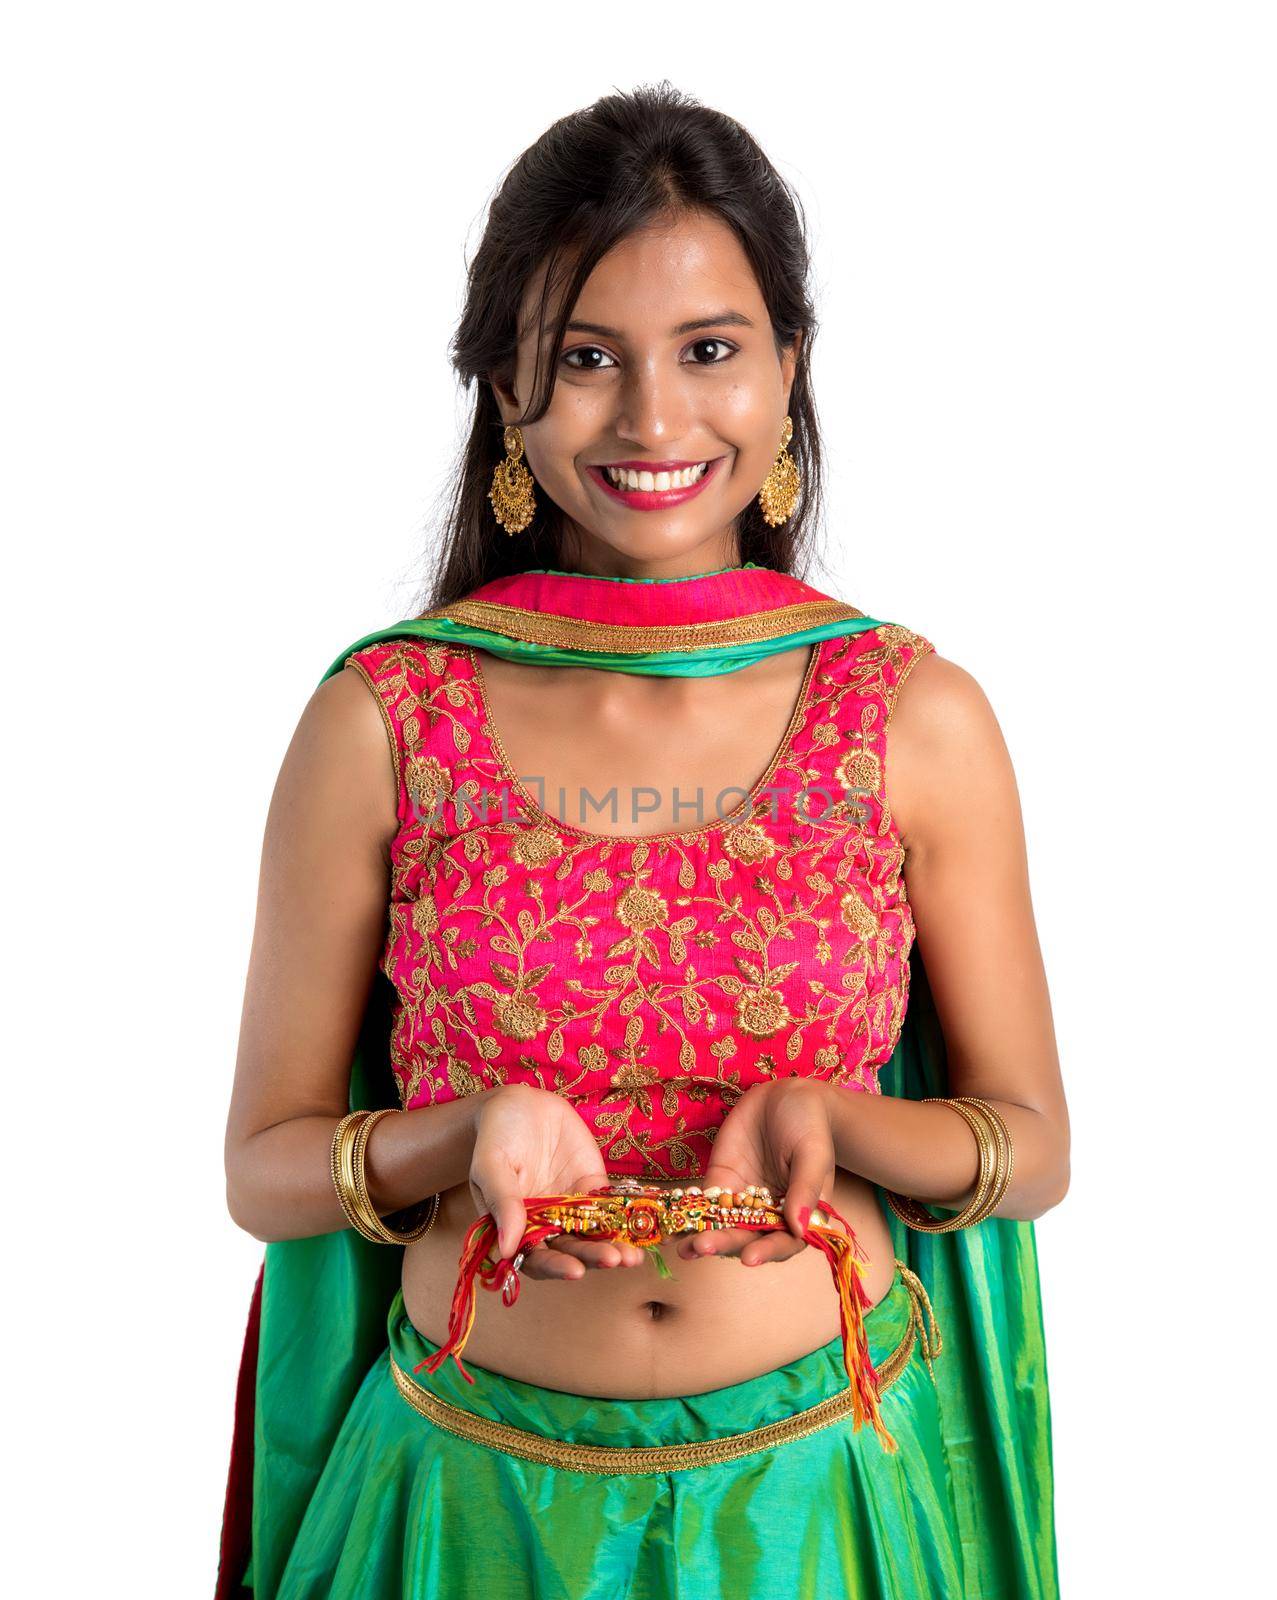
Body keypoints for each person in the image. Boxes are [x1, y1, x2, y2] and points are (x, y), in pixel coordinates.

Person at [217, 83, 1068, 1600]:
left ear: (789, 369)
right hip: (465, 1512)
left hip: (822, 1508)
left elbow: (1030, 1143)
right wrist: (463, 1135)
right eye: (588, 359)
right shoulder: (385, 716)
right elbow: (266, 1169)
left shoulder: (907, 711)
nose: (654, 421)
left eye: (710, 352)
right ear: (505, 392)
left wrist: (839, 1117)